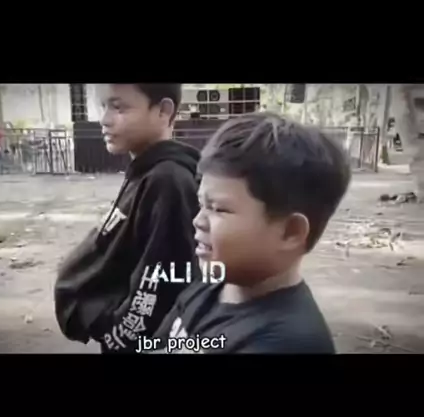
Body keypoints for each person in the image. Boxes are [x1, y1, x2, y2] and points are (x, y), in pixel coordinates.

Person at [152, 112, 352, 355]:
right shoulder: (209, 286)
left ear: (290, 232)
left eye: (218, 209)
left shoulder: (287, 344)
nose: (198, 221)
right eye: (201, 204)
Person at [54, 81, 200, 353]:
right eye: (103, 107)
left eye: (118, 108)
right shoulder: (146, 172)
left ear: (163, 111)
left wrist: (116, 334)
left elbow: (161, 287)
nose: (105, 120)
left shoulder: (167, 181)